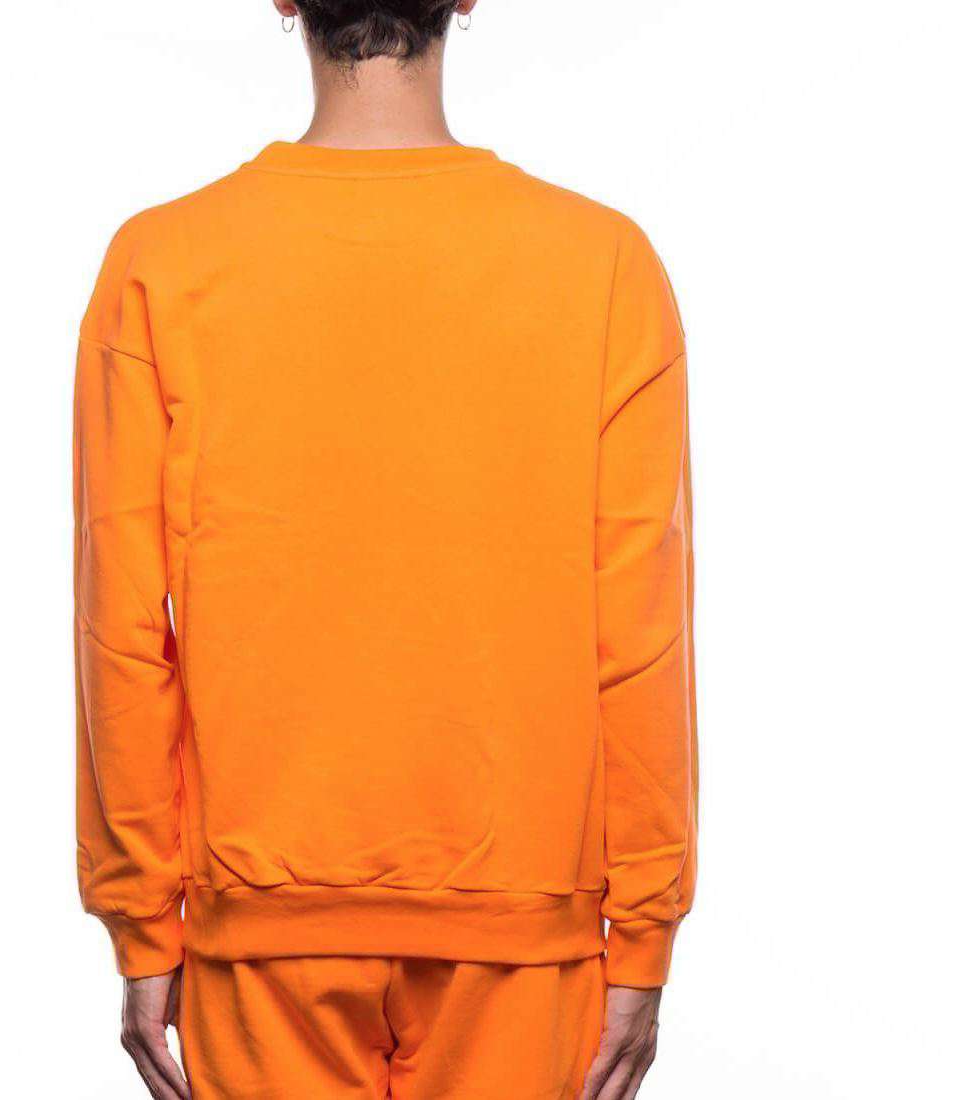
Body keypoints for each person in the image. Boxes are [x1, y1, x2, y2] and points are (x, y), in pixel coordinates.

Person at [72, 2, 697, 1097]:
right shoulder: (604, 264)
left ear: (285, 0)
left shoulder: (159, 265)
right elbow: (641, 626)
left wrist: (142, 920)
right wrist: (642, 930)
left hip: (259, 925)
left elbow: (120, 626)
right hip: (524, 924)